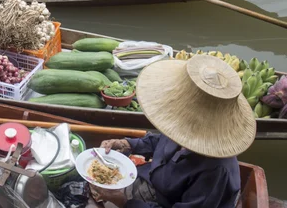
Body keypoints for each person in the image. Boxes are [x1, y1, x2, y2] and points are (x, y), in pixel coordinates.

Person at [92, 55, 256, 207]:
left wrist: (123, 202)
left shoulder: (215, 172)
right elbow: (160, 142)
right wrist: (127, 143)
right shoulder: (180, 128)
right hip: (152, 179)